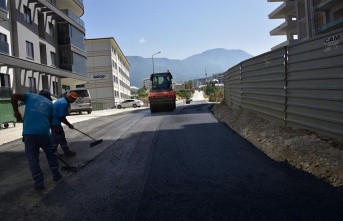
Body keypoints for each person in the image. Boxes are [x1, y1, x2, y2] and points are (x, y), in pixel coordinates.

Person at [11, 89, 62, 190]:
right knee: (51, 154)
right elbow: (51, 120)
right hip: (44, 133)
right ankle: (56, 175)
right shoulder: (50, 104)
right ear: (48, 97)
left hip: (29, 134)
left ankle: (39, 183)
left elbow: (14, 96)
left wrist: (16, 111)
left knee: (32, 159)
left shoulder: (30, 96)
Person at [51, 92, 78, 157]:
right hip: (56, 123)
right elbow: (62, 118)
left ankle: (52, 153)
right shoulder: (64, 103)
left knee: (55, 139)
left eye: (75, 99)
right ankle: (66, 152)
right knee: (61, 138)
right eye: (72, 98)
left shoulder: (62, 100)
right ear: (69, 96)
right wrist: (69, 125)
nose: (73, 100)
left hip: (52, 122)